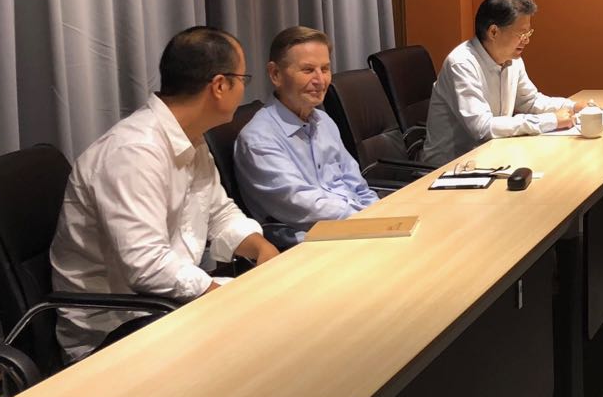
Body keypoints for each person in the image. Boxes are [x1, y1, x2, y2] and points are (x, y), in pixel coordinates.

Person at [50, 26, 280, 360]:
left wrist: (260, 248)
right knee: (269, 340)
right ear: (219, 85)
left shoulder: (190, 137)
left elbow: (219, 212)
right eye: (243, 78)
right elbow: (146, 264)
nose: (245, 88)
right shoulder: (133, 152)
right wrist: (220, 294)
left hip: (168, 304)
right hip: (120, 326)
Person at [235, 26, 377, 247]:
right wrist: (369, 220)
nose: (320, 80)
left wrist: (379, 211)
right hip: (312, 245)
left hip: (357, 227)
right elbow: (304, 206)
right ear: (275, 74)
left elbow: (356, 183)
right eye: (308, 70)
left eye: (325, 69)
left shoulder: (324, 121)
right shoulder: (258, 140)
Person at [422, 0, 587, 165]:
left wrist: (572, 107)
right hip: (451, 168)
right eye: (522, 34)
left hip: (493, 157)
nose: (526, 40)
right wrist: (550, 120)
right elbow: (482, 128)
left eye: (528, 33)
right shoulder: (462, 64)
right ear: (493, 32)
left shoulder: (512, 60)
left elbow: (530, 101)